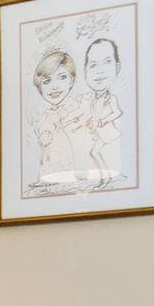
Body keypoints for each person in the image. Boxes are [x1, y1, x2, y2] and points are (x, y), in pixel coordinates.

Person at [25, 48, 87, 191]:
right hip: (51, 158)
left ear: (72, 80)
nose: (54, 86)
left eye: (62, 77)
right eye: (47, 81)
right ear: (40, 87)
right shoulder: (43, 114)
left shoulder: (76, 108)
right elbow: (43, 136)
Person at [81, 37, 127, 186]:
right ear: (85, 71)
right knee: (93, 152)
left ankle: (106, 177)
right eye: (93, 65)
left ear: (117, 67)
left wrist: (103, 120)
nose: (99, 70)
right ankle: (105, 177)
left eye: (107, 62)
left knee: (95, 152)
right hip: (100, 131)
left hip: (108, 131)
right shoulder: (90, 100)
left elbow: (117, 113)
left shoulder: (111, 98)